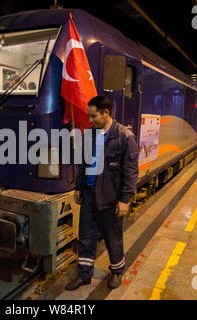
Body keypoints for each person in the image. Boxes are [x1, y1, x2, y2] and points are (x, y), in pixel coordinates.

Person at [65, 96, 139, 291]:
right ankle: (84, 275)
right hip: (89, 194)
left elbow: (130, 171)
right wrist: (79, 188)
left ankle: (117, 271)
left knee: (112, 237)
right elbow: (83, 163)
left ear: (106, 113)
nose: (91, 120)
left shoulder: (124, 136)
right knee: (86, 236)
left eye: (93, 116)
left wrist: (125, 200)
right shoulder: (89, 134)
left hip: (111, 197)